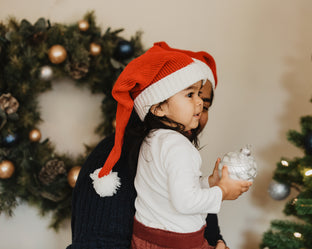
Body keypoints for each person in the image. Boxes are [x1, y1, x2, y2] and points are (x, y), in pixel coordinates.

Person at [66, 42, 248, 249]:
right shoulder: (113, 157)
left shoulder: (166, 146)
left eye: (204, 105)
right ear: (159, 107)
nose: (198, 107)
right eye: (190, 96)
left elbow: (207, 228)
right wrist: (222, 191)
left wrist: (208, 185)